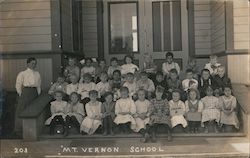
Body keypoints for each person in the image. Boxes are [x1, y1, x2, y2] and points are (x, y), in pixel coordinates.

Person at [15, 57, 41, 135]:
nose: (34, 65)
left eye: (35, 64)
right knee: (22, 110)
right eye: (32, 63)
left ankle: (31, 129)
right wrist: (21, 94)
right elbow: (18, 85)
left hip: (34, 92)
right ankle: (19, 130)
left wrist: (38, 95)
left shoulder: (37, 73)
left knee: (33, 110)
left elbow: (39, 85)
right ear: (28, 63)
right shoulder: (22, 73)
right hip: (25, 92)